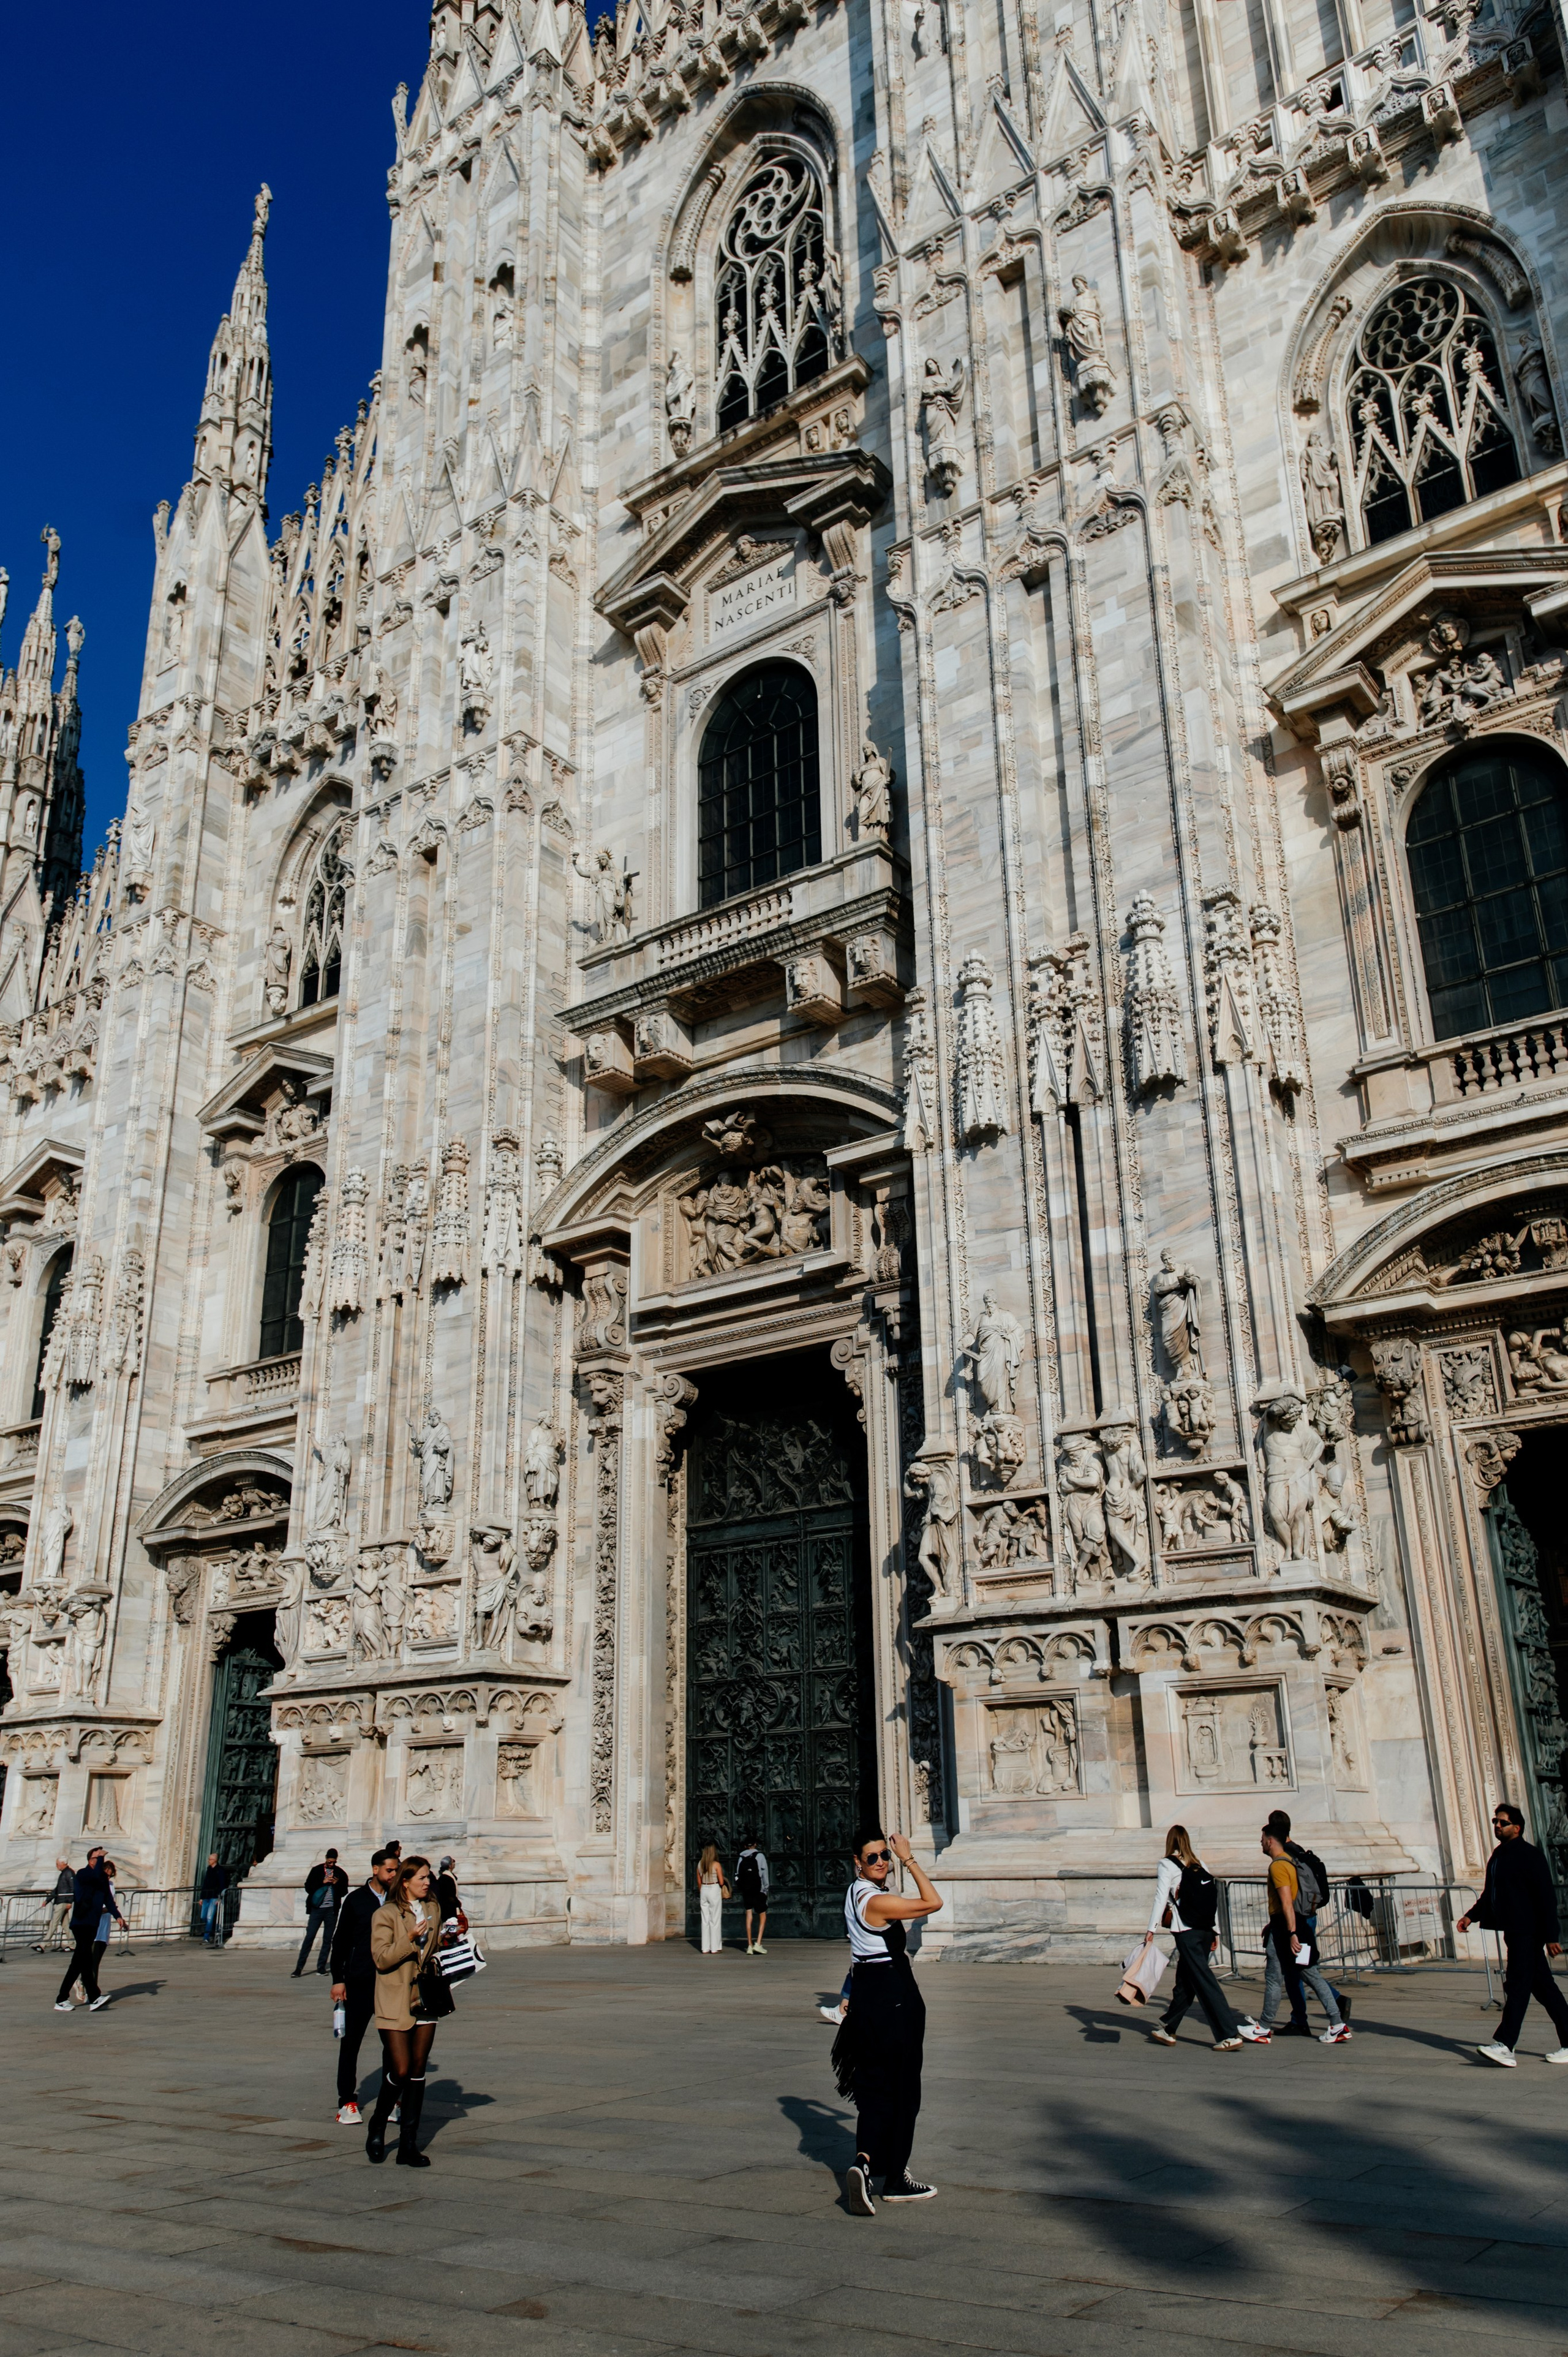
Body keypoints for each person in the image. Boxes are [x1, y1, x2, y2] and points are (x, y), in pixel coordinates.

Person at [834, 1830, 943, 2216]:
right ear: (858, 1862)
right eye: (873, 1857)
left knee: (875, 2085)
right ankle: (896, 2179)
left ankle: (865, 2163)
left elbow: (858, 1950)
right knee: (904, 2088)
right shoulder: (879, 1902)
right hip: (893, 1995)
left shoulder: (853, 1893)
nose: (881, 1861)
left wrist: (847, 1992)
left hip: (865, 1993)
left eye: (885, 1855)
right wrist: (909, 1859)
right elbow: (934, 1902)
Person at [1458, 1803, 1568, 2066]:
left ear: (1516, 1828)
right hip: (1515, 1932)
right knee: (1545, 1989)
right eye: (1495, 1821)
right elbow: (1489, 1895)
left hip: (1528, 1933)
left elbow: (1546, 1898)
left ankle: (1506, 2045)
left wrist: (1552, 1935)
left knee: (1517, 1986)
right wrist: (1471, 1915)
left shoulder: (1530, 1856)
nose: (1497, 1825)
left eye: (1503, 1822)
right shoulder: (1498, 1856)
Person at [1143, 1826, 1266, 2051]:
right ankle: (1169, 2028)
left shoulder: (1167, 1865)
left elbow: (1161, 1897)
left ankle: (1228, 2034)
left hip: (1186, 1930)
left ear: (1170, 1842)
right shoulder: (1200, 1864)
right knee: (1185, 1982)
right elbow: (1212, 1900)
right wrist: (1215, 1930)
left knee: (1203, 1981)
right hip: (1205, 1929)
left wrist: (1152, 1928)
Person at [364, 1854, 444, 2167]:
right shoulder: (386, 1914)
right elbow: (382, 1958)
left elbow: (434, 1950)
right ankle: (378, 2124)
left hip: (424, 1998)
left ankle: (409, 2144)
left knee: (418, 2070)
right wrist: (410, 1939)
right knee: (399, 2069)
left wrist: (448, 1938)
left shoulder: (434, 1909)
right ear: (406, 1882)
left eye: (428, 1878)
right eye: (422, 1878)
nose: (427, 1883)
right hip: (394, 1997)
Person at [1251, 1825, 1350, 2044]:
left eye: (1262, 1838)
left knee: (1274, 1979)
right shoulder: (1291, 1861)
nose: (1260, 1842)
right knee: (1310, 1974)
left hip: (1286, 1931)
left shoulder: (1278, 1867)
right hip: (1298, 1927)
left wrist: (1291, 1933)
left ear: (1270, 1841)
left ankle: (1264, 2027)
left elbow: (1287, 1902)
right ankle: (1338, 2024)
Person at [329, 1847, 402, 2124]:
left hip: (391, 1983)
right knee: (351, 2044)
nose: (394, 1875)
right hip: (359, 1982)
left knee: (393, 2045)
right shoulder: (356, 1901)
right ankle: (346, 2101)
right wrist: (338, 1979)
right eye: (390, 1870)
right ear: (375, 1870)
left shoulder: (399, 1901)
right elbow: (341, 1942)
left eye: (396, 1870)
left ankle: (392, 2100)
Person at [53, 1846, 123, 2013]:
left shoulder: (102, 1878)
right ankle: (94, 1997)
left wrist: (118, 1916)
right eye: (95, 1858)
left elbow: (108, 1898)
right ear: (89, 1860)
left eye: (99, 1858)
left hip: (92, 1923)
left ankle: (62, 1999)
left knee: (78, 1963)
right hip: (81, 1923)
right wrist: (100, 1859)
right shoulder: (83, 1874)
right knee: (85, 1960)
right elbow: (93, 1879)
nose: (98, 1860)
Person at [293, 1849, 349, 1977]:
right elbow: (308, 1887)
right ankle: (299, 1968)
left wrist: (337, 1884)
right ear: (326, 1859)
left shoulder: (340, 1873)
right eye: (329, 1862)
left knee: (327, 1940)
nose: (331, 1865)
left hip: (332, 1910)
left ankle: (321, 1967)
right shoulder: (317, 1870)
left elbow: (344, 1891)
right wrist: (322, 1882)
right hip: (317, 1909)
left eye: (334, 1862)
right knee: (310, 1937)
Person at [735, 1836, 769, 1956]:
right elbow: (765, 1874)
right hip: (758, 1890)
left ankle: (749, 1945)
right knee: (763, 1916)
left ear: (745, 1846)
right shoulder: (760, 1856)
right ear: (755, 1844)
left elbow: (737, 1874)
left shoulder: (741, 1857)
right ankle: (758, 1943)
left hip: (747, 1890)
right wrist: (765, 1889)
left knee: (749, 1915)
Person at [695, 1844, 729, 1955]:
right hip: (714, 1889)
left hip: (704, 1889)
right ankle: (715, 1947)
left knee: (705, 1920)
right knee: (715, 1919)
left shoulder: (700, 1864)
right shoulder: (716, 1865)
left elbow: (699, 1882)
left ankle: (705, 1947)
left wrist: (703, 1891)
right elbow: (721, 1882)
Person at [34, 1858, 74, 1952]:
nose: (57, 1865)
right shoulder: (64, 1873)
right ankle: (73, 1944)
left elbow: (73, 1888)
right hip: (61, 1901)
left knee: (54, 1923)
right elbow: (57, 1889)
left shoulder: (69, 1873)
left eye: (58, 1864)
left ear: (64, 1863)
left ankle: (44, 1945)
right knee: (66, 1925)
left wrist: (70, 1902)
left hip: (63, 1902)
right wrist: (48, 1900)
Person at [199, 1854, 230, 1947]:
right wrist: (201, 1897)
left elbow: (222, 1884)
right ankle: (212, 1932)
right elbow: (205, 1884)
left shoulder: (220, 1870)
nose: (209, 1860)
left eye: (210, 1859)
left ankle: (206, 1938)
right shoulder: (209, 1870)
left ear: (215, 1860)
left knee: (209, 1918)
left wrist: (219, 1897)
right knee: (203, 1916)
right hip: (206, 1896)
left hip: (214, 1897)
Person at [434, 1854, 461, 1925]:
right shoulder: (446, 1878)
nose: (454, 1863)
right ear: (450, 1866)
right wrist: (458, 1904)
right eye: (453, 1862)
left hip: (448, 1910)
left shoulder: (446, 1877)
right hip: (448, 1912)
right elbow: (449, 1897)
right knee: (451, 1931)